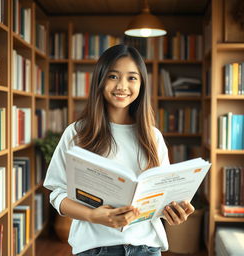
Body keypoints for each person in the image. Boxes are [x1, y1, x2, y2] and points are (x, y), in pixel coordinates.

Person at [43, 44, 195, 256]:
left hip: (146, 248)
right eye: (113, 76)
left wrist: (174, 211)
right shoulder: (77, 133)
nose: (122, 86)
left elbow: (162, 196)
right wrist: (93, 215)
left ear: (141, 84)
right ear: (100, 80)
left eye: (132, 78)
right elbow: (57, 193)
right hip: (94, 248)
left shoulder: (153, 136)